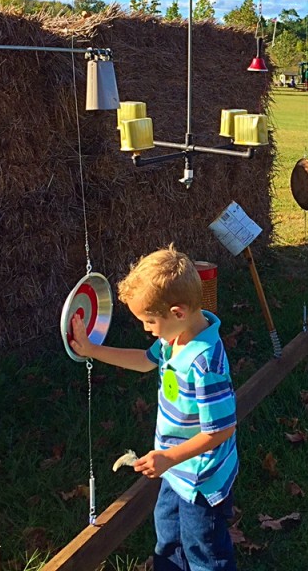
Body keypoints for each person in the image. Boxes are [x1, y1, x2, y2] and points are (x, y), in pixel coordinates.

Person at [70, 245, 238, 571]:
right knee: (168, 537)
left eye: (149, 321)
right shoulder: (172, 338)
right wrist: (92, 349)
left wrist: (168, 457)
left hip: (202, 479)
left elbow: (221, 430)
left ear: (177, 312)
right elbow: (145, 362)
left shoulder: (205, 362)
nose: (146, 329)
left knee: (204, 549)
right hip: (175, 470)